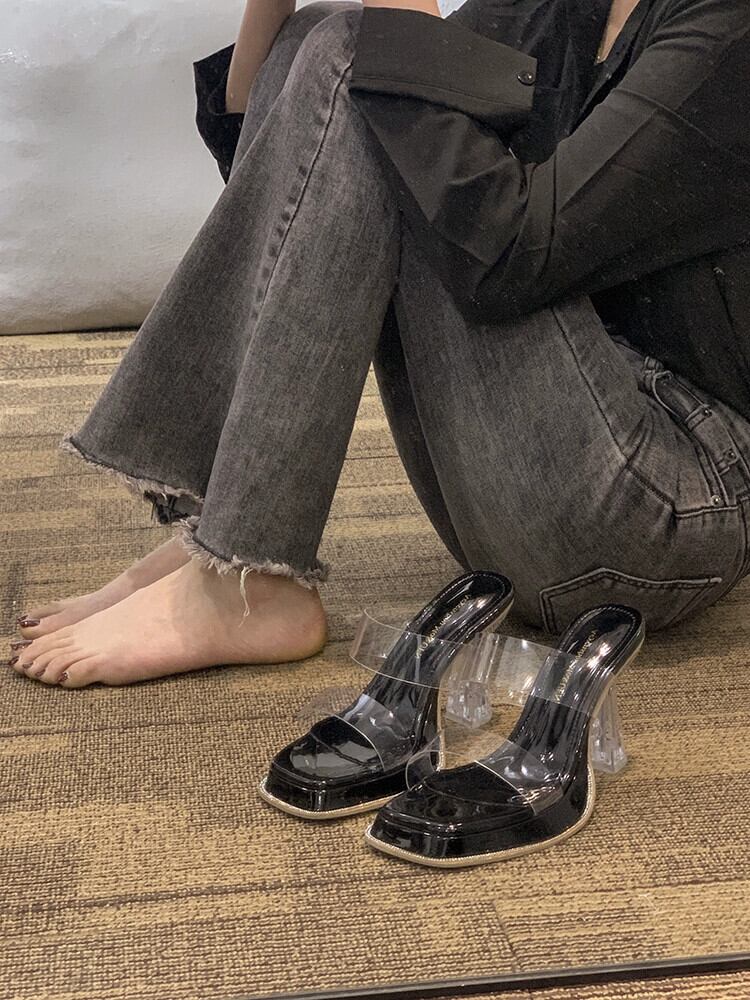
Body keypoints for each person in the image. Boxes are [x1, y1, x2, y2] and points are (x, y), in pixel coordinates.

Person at [8, 0, 750, 689]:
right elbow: (301, 188)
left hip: (664, 513)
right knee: (321, 37)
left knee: (369, 57)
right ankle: (229, 540)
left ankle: (247, 576)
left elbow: (513, 256)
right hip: (534, 480)